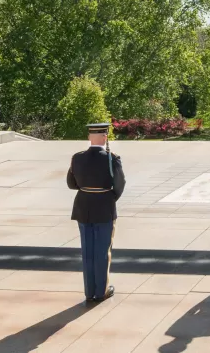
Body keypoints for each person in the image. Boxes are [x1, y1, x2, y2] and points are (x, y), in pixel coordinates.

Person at [66, 123, 126, 303]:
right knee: (102, 250)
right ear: (105, 137)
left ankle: (89, 291)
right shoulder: (111, 158)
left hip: (83, 205)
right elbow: (120, 184)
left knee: (87, 250)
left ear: (89, 137)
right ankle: (102, 291)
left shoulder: (77, 158)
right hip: (103, 207)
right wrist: (109, 198)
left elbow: (71, 183)